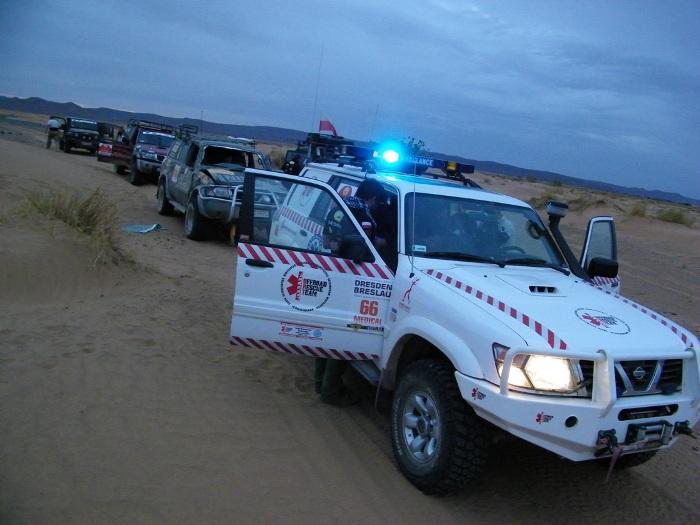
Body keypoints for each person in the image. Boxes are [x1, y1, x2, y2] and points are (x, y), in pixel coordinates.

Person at [315, 178, 386, 406]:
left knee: (327, 331)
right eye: (377, 202)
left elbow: (328, 240)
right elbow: (367, 249)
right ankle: (330, 391)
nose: (376, 206)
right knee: (345, 335)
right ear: (372, 198)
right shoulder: (364, 217)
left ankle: (320, 383)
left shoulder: (339, 208)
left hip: (331, 272)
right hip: (352, 279)